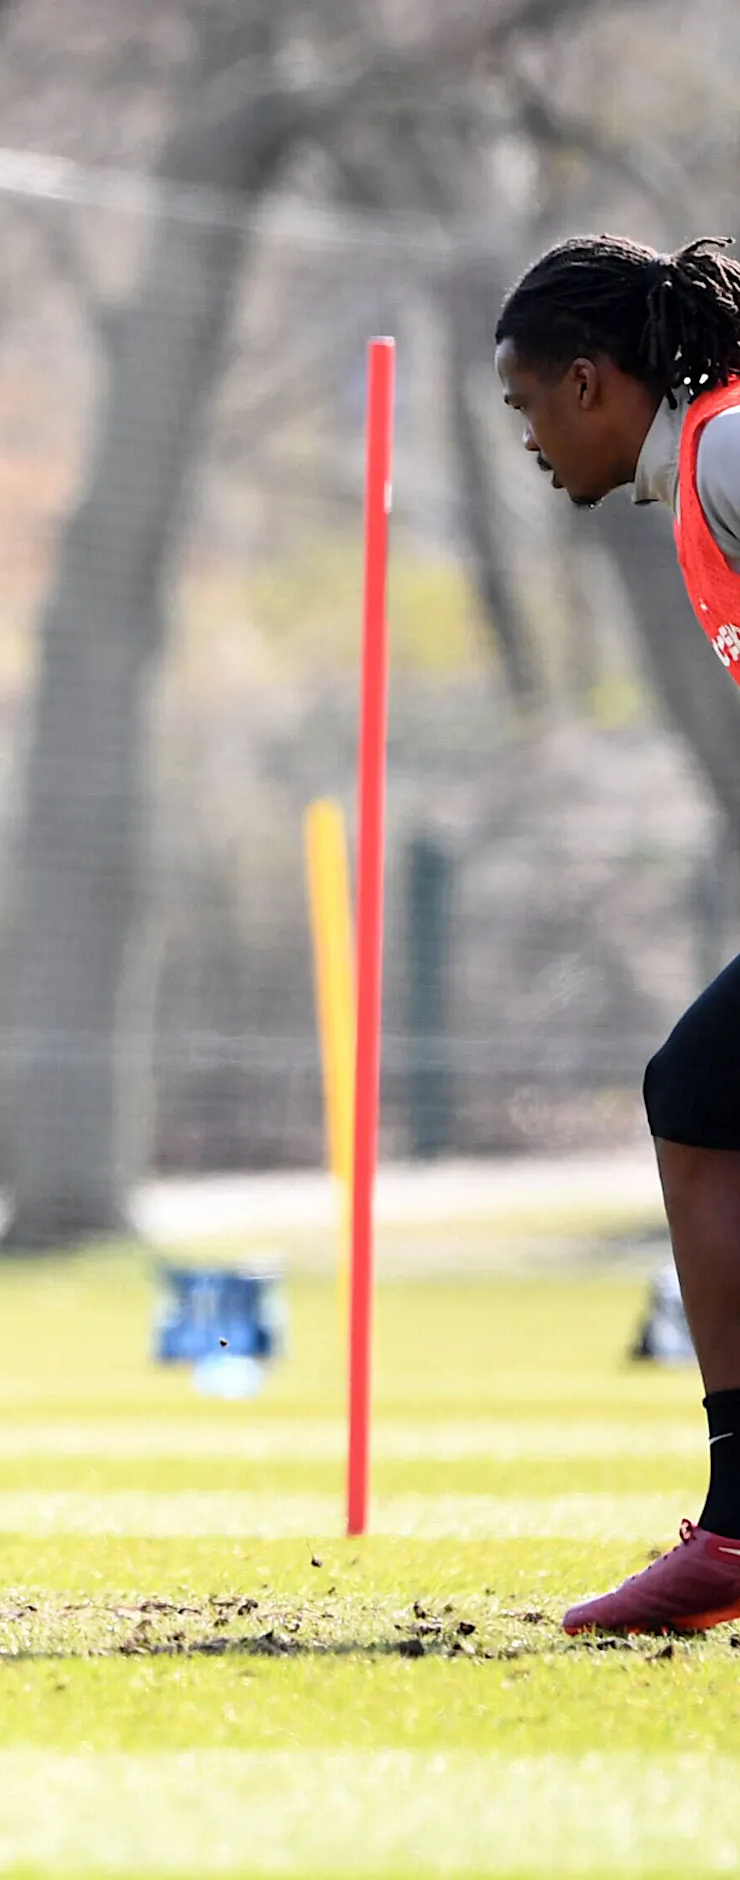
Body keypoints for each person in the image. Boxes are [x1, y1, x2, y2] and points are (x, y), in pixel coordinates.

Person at [496, 234, 740, 1633]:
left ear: (587, 382)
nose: (527, 439)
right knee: (698, 1096)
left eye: (526, 402)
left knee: (698, 1094)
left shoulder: (726, 450)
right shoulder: (701, 468)